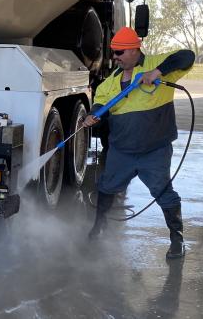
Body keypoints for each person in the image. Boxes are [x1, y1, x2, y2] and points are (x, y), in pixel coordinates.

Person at [83, 26, 195, 260]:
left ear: (135, 50)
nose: (115, 57)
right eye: (113, 53)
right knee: (106, 187)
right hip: (121, 151)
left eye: (120, 53)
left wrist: (157, 72)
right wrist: (92, 116)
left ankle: (177, 239)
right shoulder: (109, 84)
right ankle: (99, 226)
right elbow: (100, 105)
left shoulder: (157, 65)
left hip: (154, 152)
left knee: (164, 193)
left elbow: (187, 56)